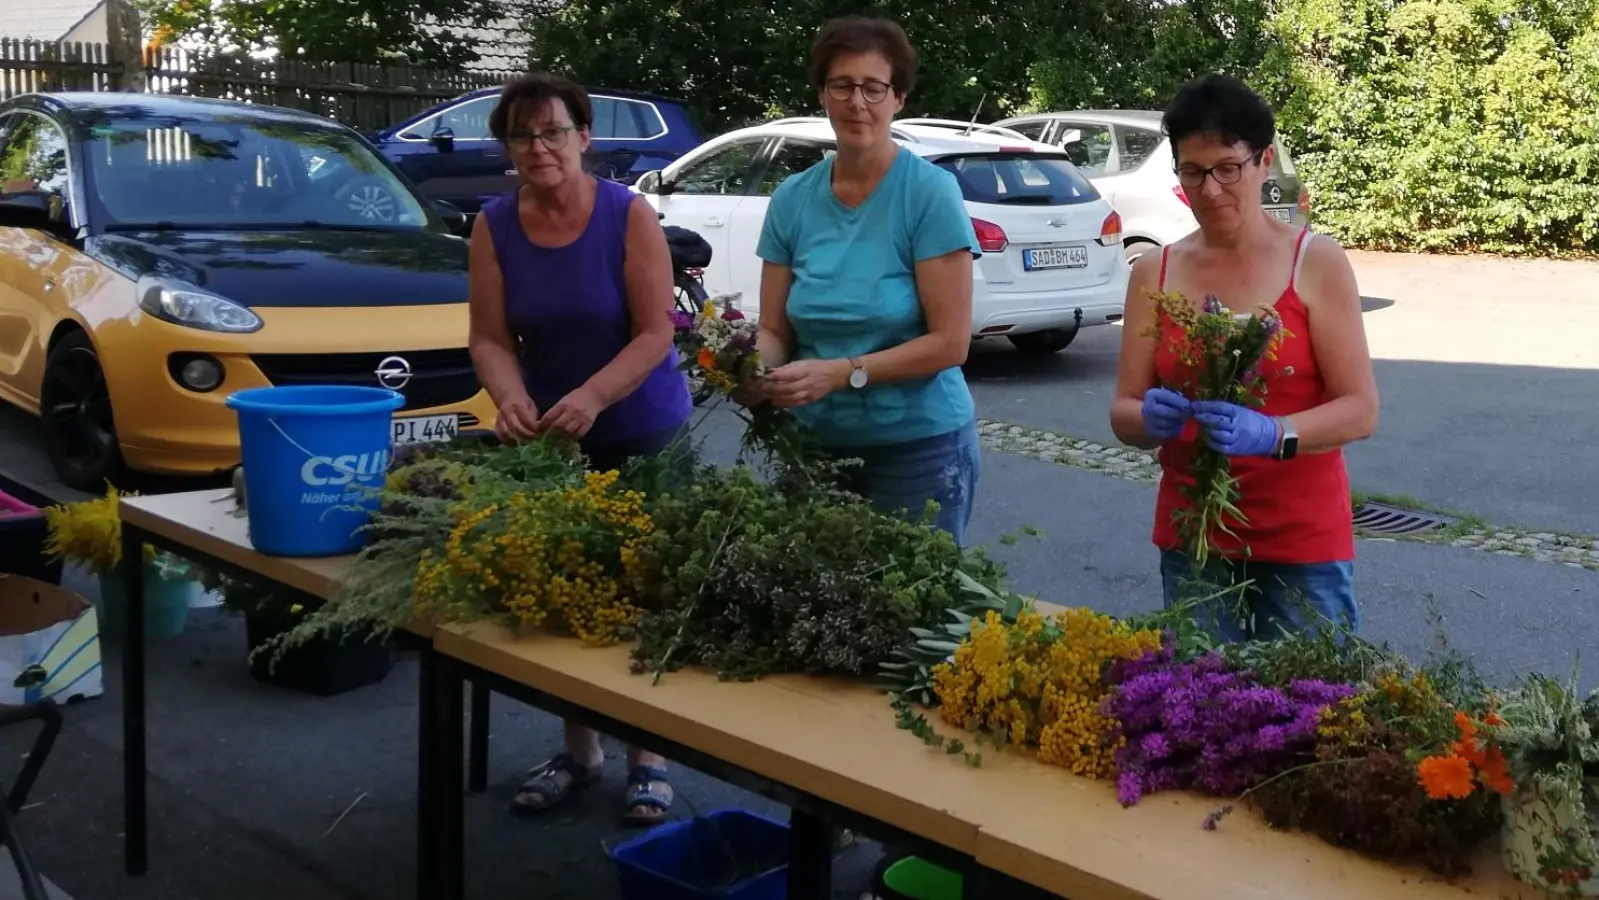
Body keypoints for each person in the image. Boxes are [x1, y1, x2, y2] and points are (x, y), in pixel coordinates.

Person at [466, 72, 692, 824]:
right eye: (522, 136)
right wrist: (509, 399)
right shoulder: (493, 226)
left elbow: (657, 330)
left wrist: (595, 396)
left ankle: (648, 758)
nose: (539, 148)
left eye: (553, 132)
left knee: (641, 589)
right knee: (563, 590)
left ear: (584, 138)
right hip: (551, 439)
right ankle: (580, 750)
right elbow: (491, 338)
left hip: (639, 423)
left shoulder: (628, 215)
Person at [1109, 73, 1380, 643]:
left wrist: (1274, 432)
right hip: (1196, 539)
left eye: (1228, 168)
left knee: (1311, 714)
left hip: (1302, 538)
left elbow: (1359, 409)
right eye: (1192, 172)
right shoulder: (1153, 274)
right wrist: (1147, 419)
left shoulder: (1316, 262)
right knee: (1202, 707)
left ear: (1264, 161)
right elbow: (1124, 412)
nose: (1210, 190)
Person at [740, 15, 983, 546]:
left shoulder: (928, 193)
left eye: (874, 87)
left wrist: (840, 373)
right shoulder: (791, 200)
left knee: (914, 614)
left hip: (918, 449)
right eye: (842, 85)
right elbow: (776, 329)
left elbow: (950, 343)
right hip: (814, 447)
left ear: (898, 99)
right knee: (820, 610)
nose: (858, 102)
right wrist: (757, 371)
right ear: (822, 95)